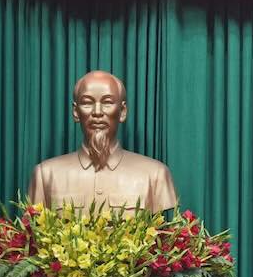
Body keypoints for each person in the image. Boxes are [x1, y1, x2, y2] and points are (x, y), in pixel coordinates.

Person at [27, 70, 178, 212]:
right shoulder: (45, 175)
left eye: (107, 102)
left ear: (122, 112)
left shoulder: (155, 175)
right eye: (87, 103)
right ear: (76, 112)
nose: (97, 112)